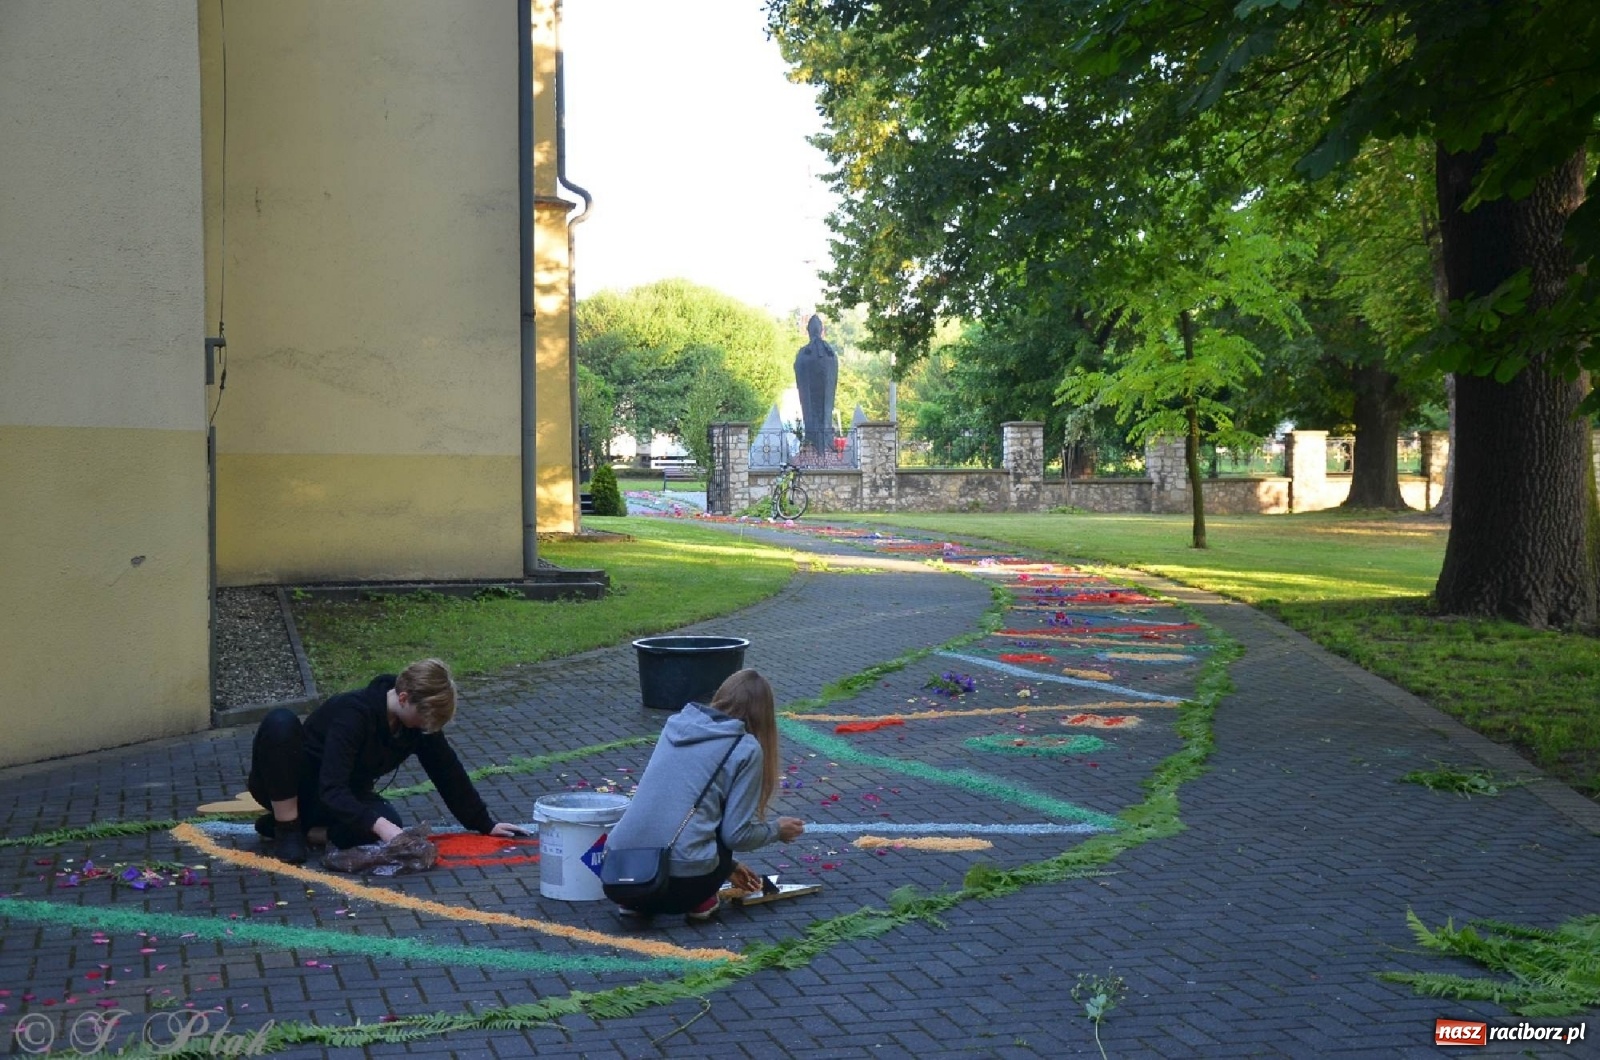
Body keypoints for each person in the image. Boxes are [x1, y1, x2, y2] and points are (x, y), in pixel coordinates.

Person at [247, 658, 521, 864]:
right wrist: (379, 825)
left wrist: (484, 823)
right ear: (403, 698)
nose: (427, 727)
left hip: (334, 798)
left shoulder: (415, 722)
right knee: (280, 722)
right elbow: (332, 787)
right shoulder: (352, 713)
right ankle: (286, 826)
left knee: (389, 821)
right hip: (296, 787)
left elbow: (447, 771)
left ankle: (305, 831)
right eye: (425, 719)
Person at [604, 669, 806, 921]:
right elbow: (736, 835)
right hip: (680, 889)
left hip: (618, 875)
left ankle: (636, 904)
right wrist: (777, 830)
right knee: (725, 822)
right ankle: (700, 901)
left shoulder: (676, 725)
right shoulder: (745, 747)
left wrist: (728, 869)